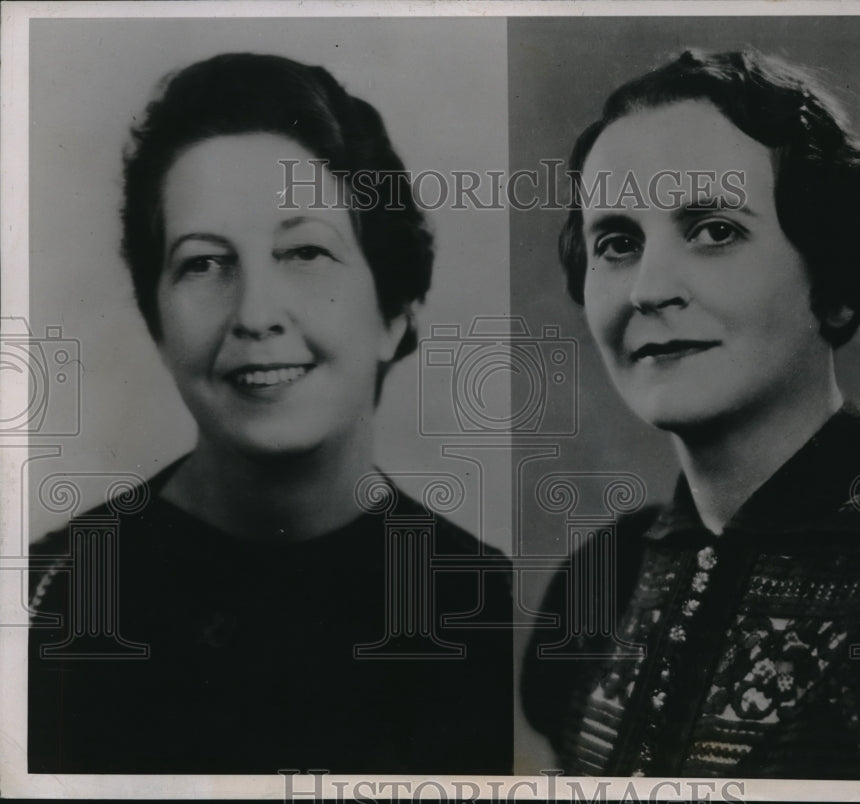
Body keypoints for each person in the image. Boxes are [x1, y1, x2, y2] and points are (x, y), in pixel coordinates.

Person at [29, 53, 512, 774]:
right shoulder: (46, 598)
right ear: (156, 321)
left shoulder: (496, 611)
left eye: (306, 252)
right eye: (203, 263)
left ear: (392, 311)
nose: (255, 315)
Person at [521, 49, 860, 780]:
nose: (649, 288)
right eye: (617, 242)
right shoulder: (598, 582)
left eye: (714, 230)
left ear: (831, 278)